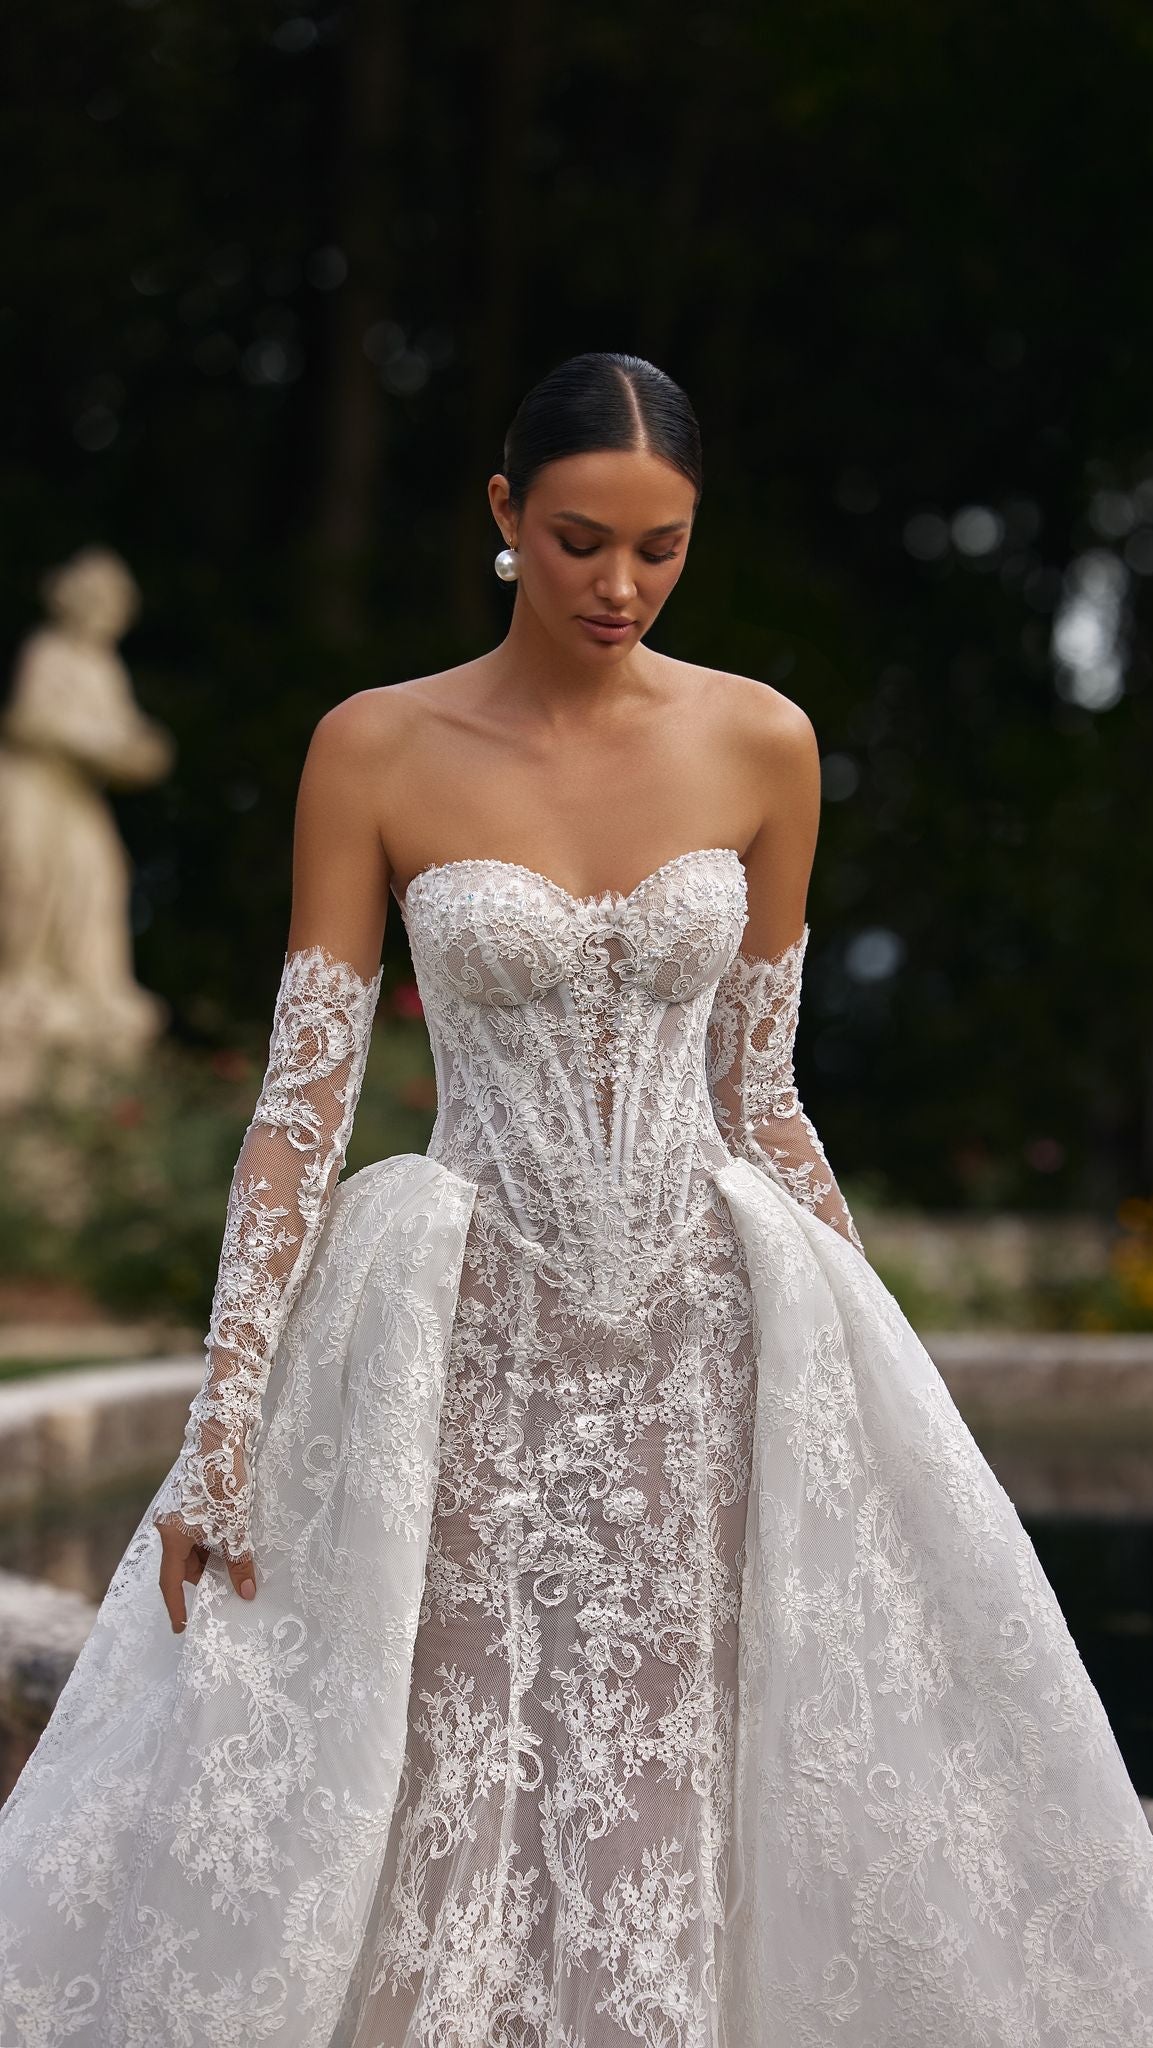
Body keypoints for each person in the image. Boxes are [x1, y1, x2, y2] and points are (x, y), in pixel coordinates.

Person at [0, 351, 1150, 2048]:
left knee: (678, 1754)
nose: (620, 586)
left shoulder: (762, 740)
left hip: (705, 1325)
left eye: (661, 548)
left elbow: (758, 1093)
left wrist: (884, 1381)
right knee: (462, 1750)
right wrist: (220, 1424)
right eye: (580, 541)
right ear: (502, 518)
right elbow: (300, 1107)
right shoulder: (377, 746)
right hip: (460, 1324)